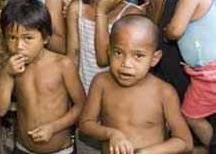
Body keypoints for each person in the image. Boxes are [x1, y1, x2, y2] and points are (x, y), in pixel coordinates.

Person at [79, 15, 193, 154]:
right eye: (118, 52)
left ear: (154, 58)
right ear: (109, 52)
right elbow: (85, 124)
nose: (126, 64)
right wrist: (111, 134)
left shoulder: (164, 93)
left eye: (138, 56)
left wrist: (145, 152)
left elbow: (184, 142)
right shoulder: (101, 83)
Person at [67, 0, 142, 153]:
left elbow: (104, 60)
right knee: (86, 146)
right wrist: (75, 96)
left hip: (116, 99)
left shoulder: (131, 14)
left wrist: (101, 12)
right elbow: (73, 54)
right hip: (83, 92)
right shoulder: (77, 8)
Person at [0, 0, 85, 154]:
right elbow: (0, 110)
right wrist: (7, 75)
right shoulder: (10, 66)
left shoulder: (63, 65)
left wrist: (53, 127)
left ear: (45, 38)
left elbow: (81, 106)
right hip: (23, 148)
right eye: (11, 38)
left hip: (60, 151)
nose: (19, 46)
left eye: (28, 38)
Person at [163, 0, 216, 148]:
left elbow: (175, 30)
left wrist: (166, 32)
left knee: (191, 115)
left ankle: (210, 147)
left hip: (208, 74)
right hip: (204, 73)